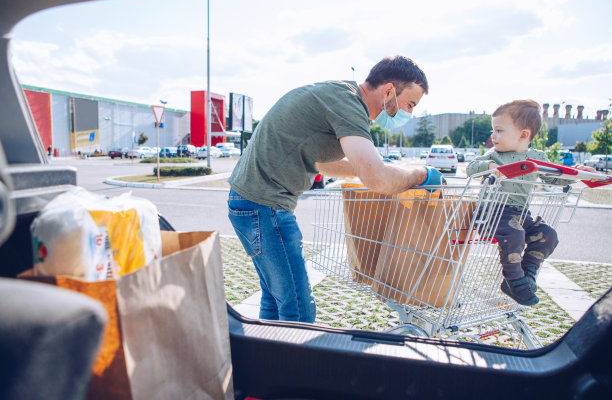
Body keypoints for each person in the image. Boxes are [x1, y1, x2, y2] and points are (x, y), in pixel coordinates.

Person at [227, 55, 444, 323]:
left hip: (251, 203)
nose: (409, 113)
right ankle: (291, 363)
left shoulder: (340, 93)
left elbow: (321, 163)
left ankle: (266, 359)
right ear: (388, 91)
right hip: (265, 206)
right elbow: (377, 180)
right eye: (410, 104)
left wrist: (367, 164)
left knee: (276, 299)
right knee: (297, 309)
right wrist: (421, 174)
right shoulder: (349, 105)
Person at [466, 100, 594, 306]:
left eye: (499, 130)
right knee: (514, 234)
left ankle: (528, 271)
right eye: (493, 130)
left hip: (519, 214)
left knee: (548, 235)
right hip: (492, 213)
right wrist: (489, 166)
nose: (493, 136)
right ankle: (513, 280)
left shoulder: (537, 157)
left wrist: (578, 173)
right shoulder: (495, 155)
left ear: (524, 135)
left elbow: (555, 178)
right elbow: (471, 167)